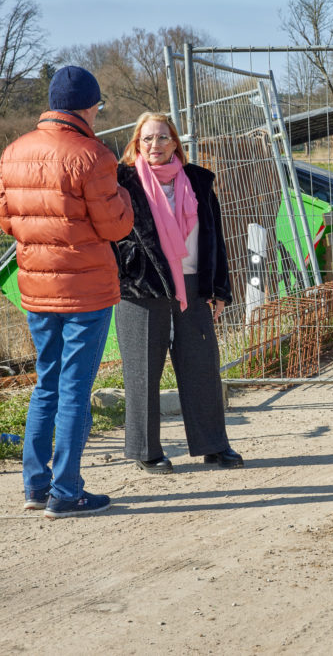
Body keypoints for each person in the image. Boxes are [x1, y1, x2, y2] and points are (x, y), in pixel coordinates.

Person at [0, 66, 134, 518]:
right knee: (75, 388)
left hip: (36, 287)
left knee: (46, 383)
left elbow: (7, 218)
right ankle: (67, 491)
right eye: (97, 106)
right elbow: (116, 225)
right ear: (87, 106)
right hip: (86, 292)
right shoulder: (94, 155)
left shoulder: (13, 151)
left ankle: (35, 487)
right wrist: (127, 199)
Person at [114, 112, 242, 473]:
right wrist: (128, 266)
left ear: (175, 143)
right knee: (143, 372)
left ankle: (214, 445)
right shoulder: (121, 182)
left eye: (162, 138)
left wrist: (218, 289)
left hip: (193, 287)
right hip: (141, 289)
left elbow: (214, 238)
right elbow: (111, 233)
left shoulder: (197, 182)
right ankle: (145, 451)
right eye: (147, 139)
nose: (155, 146)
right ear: (137, 144)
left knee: (203, 367)